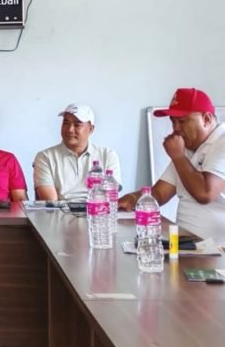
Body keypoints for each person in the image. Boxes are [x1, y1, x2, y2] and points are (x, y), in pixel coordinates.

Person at [119, 88, 225, 240]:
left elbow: (205, 193)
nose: (176, 128)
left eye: (182, 121)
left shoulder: (221, 143)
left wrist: (178, 156)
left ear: (206, 119)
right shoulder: (188, 149)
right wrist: (132, 198)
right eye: (173, 122)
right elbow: (160, 193)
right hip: (184, 242)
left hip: (216, 249)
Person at [33, 104, 121, 201]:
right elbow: (51, 201)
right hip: (61, 210)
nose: (70, 129)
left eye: (77, 125)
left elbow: (111, 196)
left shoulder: (107, 155)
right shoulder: (45, 157)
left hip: (96, 209)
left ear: (91, 129)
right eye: (66, 123)